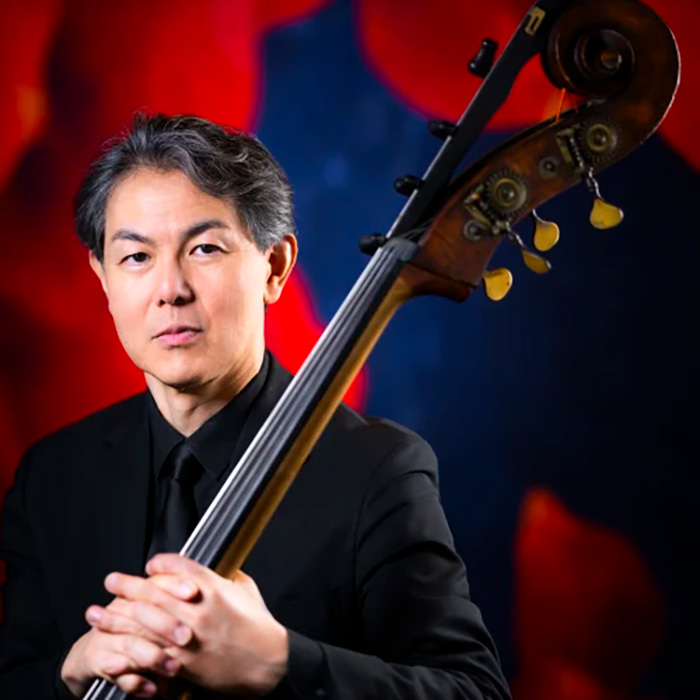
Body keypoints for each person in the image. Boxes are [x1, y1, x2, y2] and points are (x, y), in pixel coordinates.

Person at [0, 113, 511, 700]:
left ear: (274, 267)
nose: (170, 289)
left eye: (205, 248)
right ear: (103, 277)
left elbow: (474, 691)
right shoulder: (53, 476)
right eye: (136, 257)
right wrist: (71, 668)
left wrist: (278, 662)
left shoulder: (379, 470)